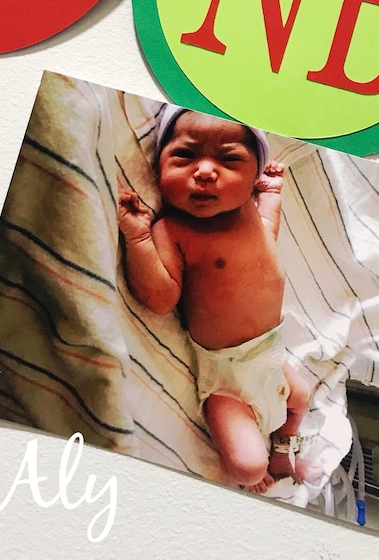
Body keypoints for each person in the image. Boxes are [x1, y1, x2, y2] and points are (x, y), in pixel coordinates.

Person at [117, 105, 312, 492]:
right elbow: (160, 296)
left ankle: (284, 447)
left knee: (302, 397)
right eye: (185, 155)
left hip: (272, 353)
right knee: (246, 467)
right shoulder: (174, 230)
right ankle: (260, 464)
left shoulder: (250, 214)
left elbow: (267, 234)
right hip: (227, 377)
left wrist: (271, 195)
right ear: (158, 168)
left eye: (228, 159)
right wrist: (139, 239)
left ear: (254, 175)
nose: (205, 171)